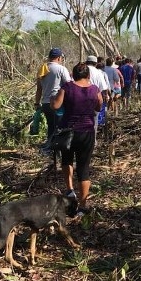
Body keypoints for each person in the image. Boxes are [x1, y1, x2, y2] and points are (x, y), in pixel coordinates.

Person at [51, 62, 103, 214]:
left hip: (68, 131)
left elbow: (55, 106)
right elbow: (99, 106)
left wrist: (55, 97)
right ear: (88, 75)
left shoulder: (67, 87)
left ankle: (69, 190)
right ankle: (83, 204)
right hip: (87, 132)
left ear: (73, 74)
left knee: (66, 160)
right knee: (83, 167)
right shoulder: (95, 89)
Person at [34, 47, 71, 156]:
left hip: (45, 103)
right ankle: (55, 150)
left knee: (51, 126)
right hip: (57, 103)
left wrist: (37, 103)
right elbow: (68, 86)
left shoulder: (42, 68)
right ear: (59, 58)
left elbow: (39, 89)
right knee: (59, 127)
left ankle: (51, 149)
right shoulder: (61, 69)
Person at [85, 55, 110, 132]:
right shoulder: (99, 73)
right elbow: (104, 88)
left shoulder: (82, 70)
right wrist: (106, 96)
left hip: (82, 98)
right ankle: (93, 140)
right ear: (96, 63)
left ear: (86, 62)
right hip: (95, 98)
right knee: (94, 120)